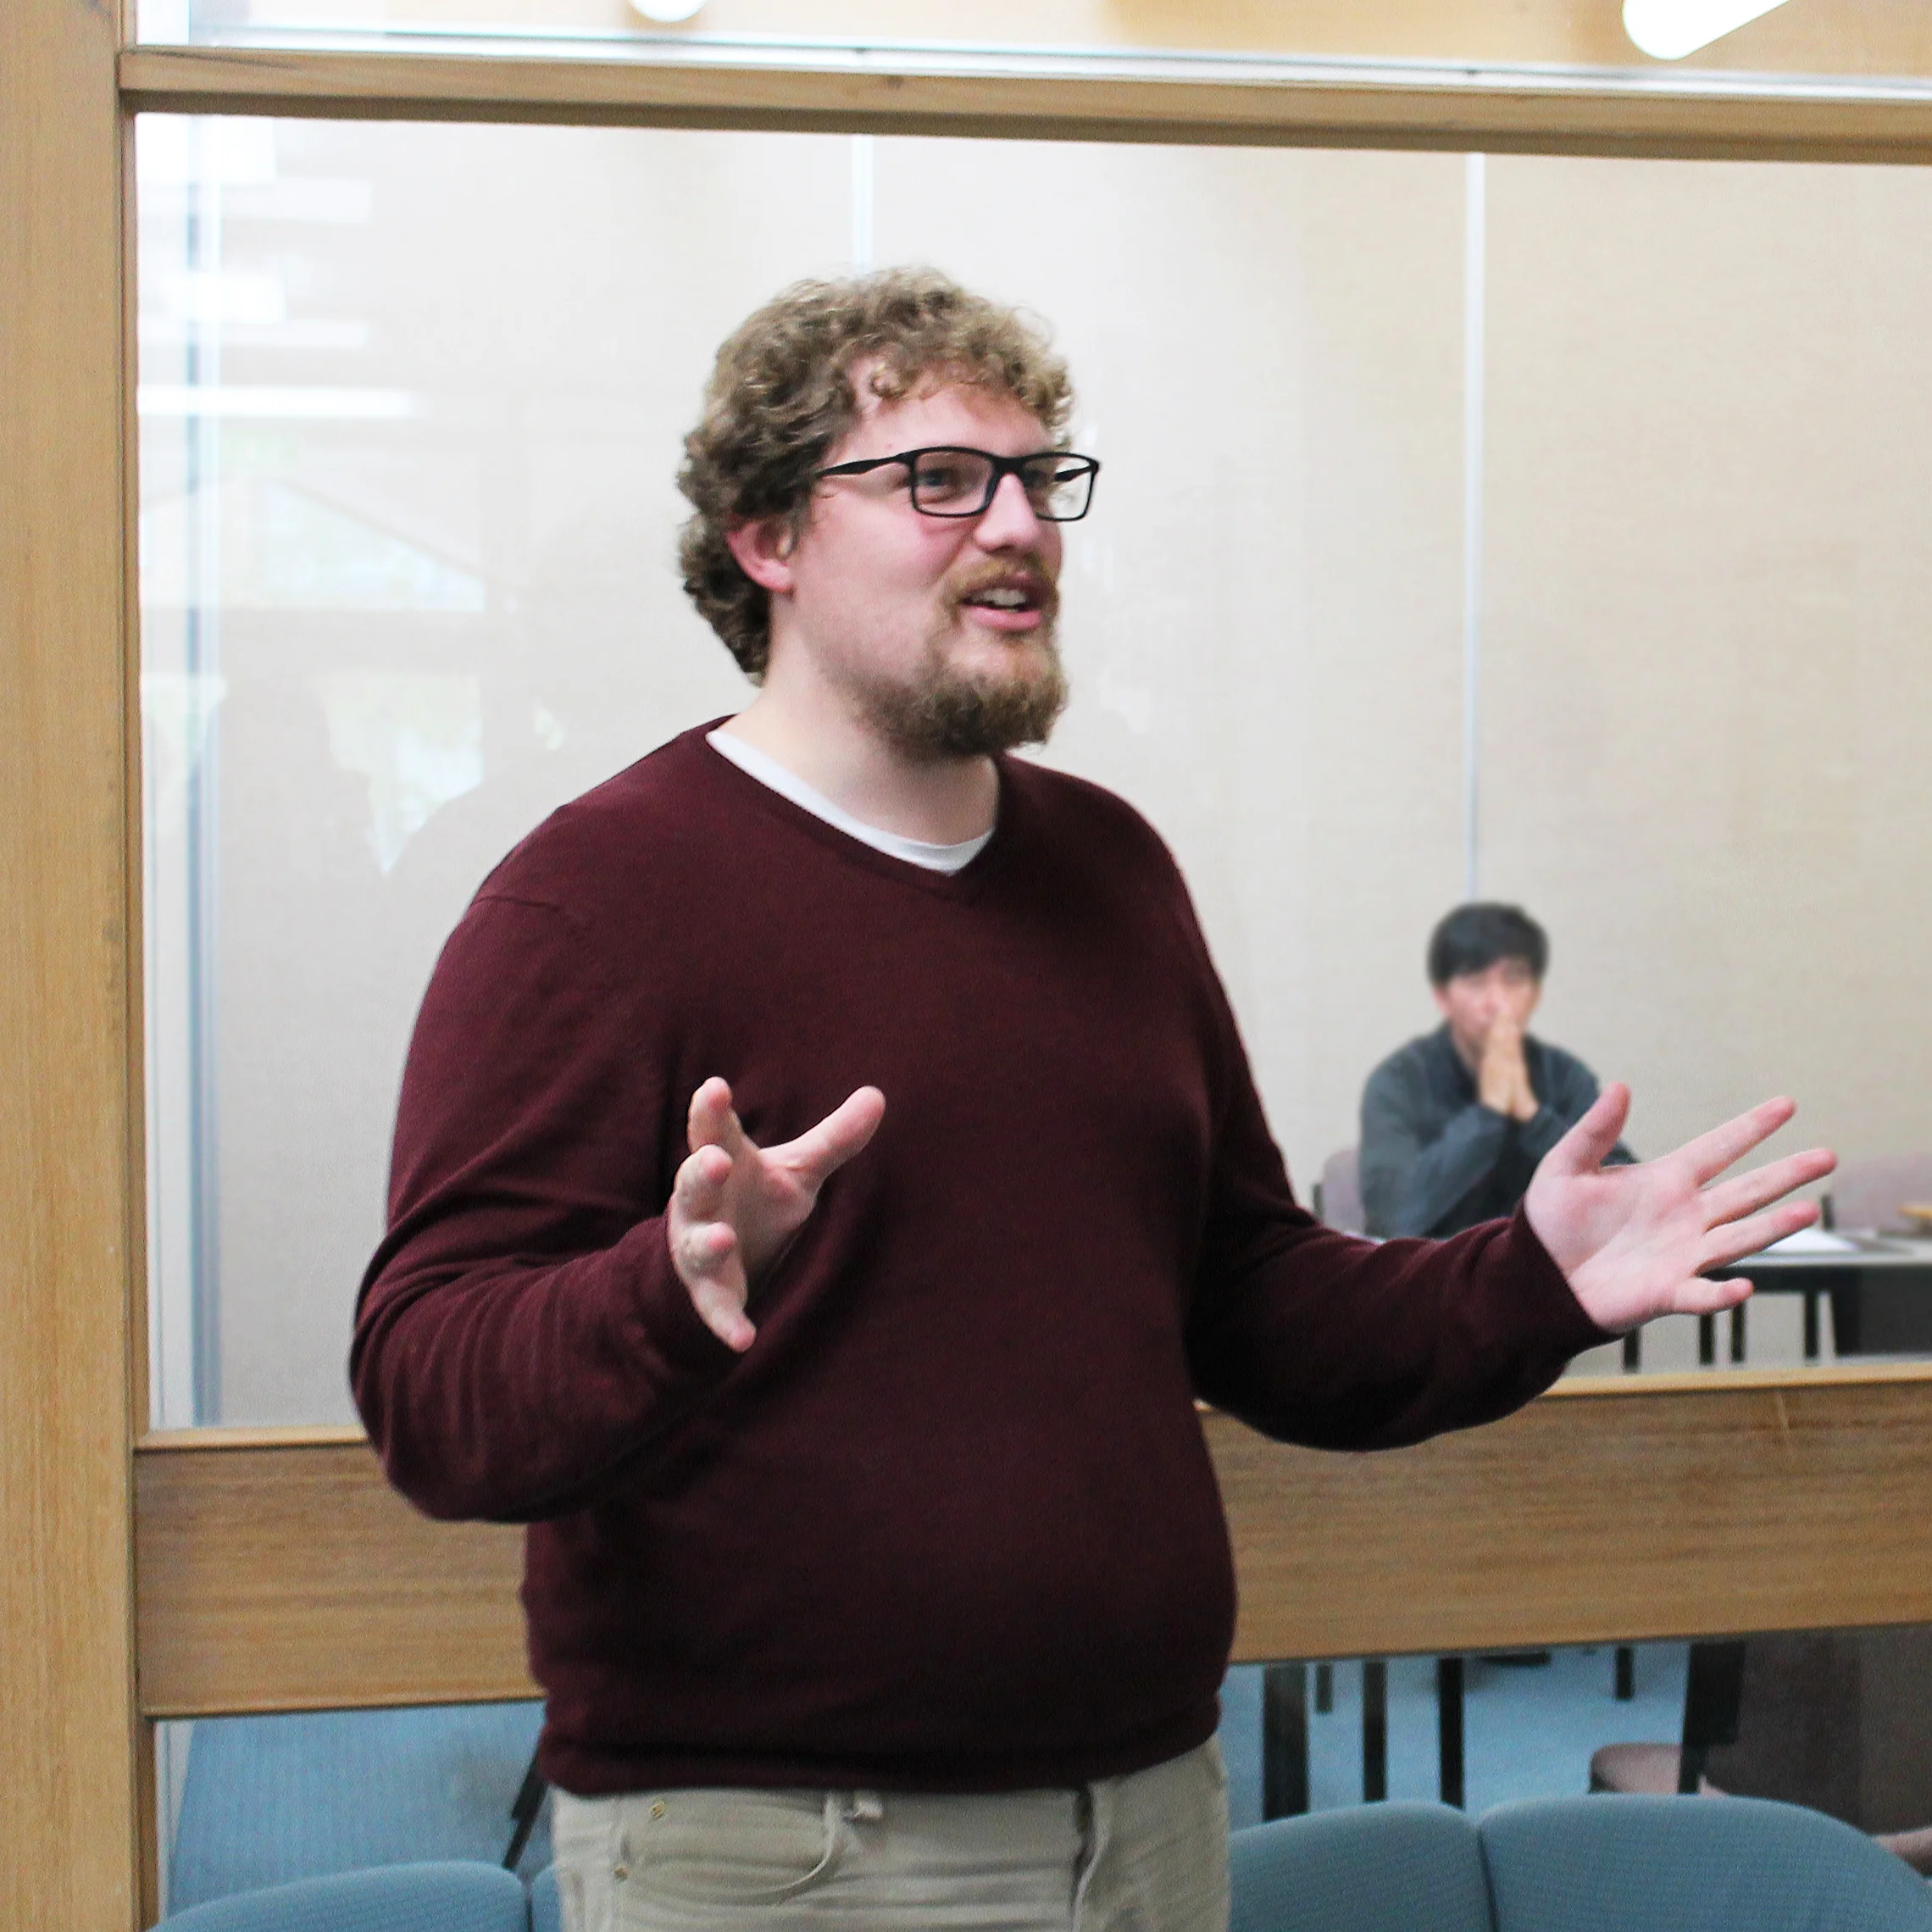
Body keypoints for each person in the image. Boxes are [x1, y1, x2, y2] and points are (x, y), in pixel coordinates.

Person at [350, 269, 1832, 1932]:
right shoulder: (597, 900)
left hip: (1142, 1827)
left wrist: (1532, 1280)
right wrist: (665, 1294)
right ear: (767, 536)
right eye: (938, 480)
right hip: (788, 1855)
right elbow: (425, 1385)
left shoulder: (1110, 871)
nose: (1018, 525)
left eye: (1040, 478)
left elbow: (1257, 1301)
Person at [1359, 902, 1633, 1239]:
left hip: (1544, 1276)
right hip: (1435, 1276)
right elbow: (1395, 1216)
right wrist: (1489, 1113)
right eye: (1476, 982)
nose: (1498, 1002)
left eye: (1514, 979)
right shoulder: (1398, 1082)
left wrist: (1532, 1118)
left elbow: (1623, 1199)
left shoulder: (1565, 1076)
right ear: (1442, 998)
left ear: (1534, 993)